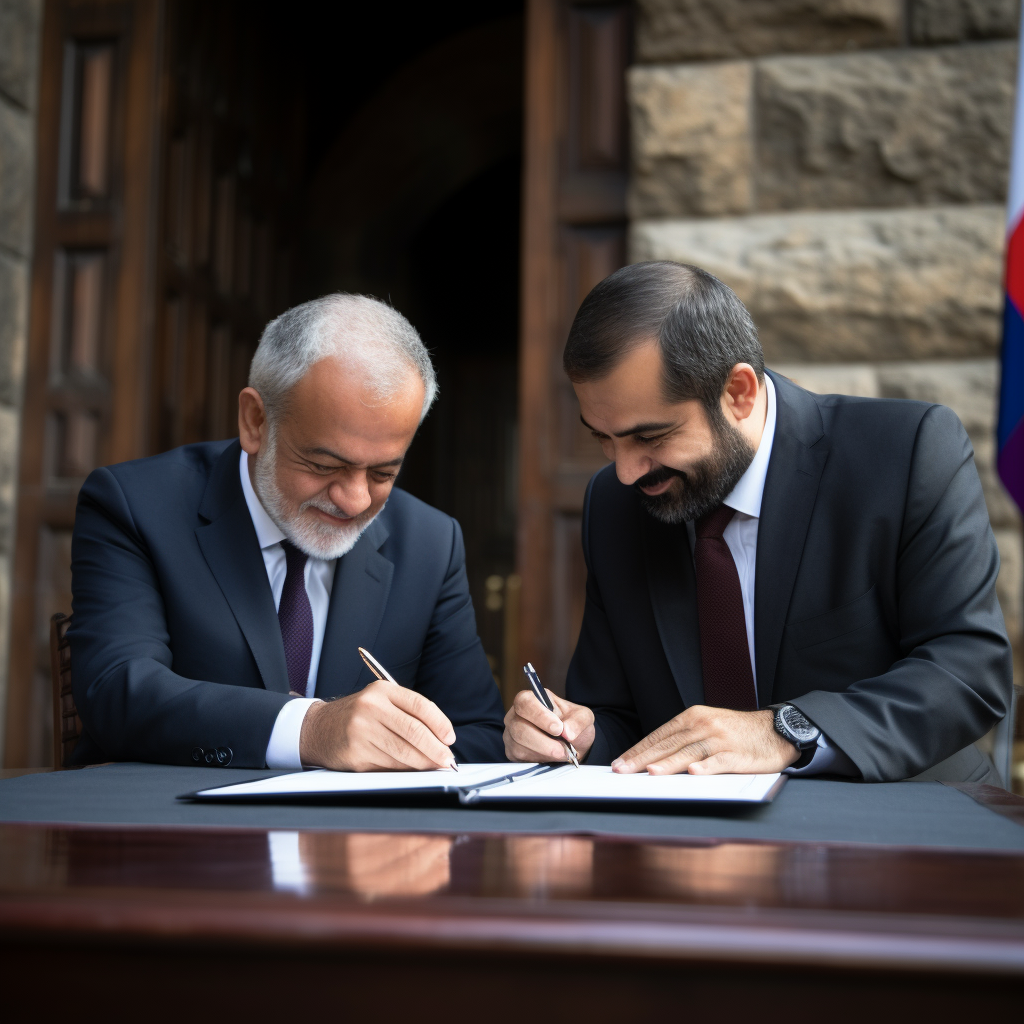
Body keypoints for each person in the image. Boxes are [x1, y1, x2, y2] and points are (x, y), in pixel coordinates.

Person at [503, 261, 1012, 783]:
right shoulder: (611, 505)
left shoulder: (905, 454)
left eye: (651, 437)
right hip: (691, 850)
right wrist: (577, 736)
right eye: (603, 439)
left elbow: (969, 671)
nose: (626, 471)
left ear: (739, 392)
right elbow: (621, 721)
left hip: (904, 832)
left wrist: (786, 728)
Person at [69, 294, 505, 770]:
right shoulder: (135, 506)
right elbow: (116, 690)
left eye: (383, 474)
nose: (355, 500)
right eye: (323, 465)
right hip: (173, 832)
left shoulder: (430, 543)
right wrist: (310, 728)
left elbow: (476, 735)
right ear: (255, 421)